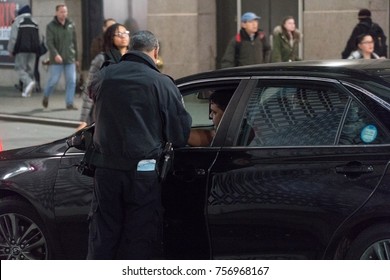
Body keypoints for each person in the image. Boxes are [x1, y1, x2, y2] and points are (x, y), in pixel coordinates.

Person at [86, 30, 192, 259]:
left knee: (103, 236)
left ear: (131, 48)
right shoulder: (161, 83)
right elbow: (180, 135)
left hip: (106, 172)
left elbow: (92, 97)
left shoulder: (104, 76)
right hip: (142, 175)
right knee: (139, 238)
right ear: (155, 51)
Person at [77, 23, 129, 130]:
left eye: (125, 33)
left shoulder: (133, 57)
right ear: (111, 37)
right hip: (105, 111)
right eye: (119, 33)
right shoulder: (102, 59)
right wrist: (83, 119)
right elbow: (90, 89)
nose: (123, 36)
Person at [42, 4, 79, 110]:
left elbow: (74, 42)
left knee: (71, 80)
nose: (64, 14)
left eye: (65, 12)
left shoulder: (71, 24)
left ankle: (69, 103)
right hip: (56, 59)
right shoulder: (51, 26)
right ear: (56, 13)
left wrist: (76, 58)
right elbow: (49, 42)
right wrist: (55, 54)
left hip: (70, 57)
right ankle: (46, 95)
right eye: (62, 12)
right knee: (54, 80)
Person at [7, 5, 40, 97]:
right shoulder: (35, 22)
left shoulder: (17, 21)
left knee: (19, 68)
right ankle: (27, 92)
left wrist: (10, 50)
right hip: (33, 50)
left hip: (21, 49)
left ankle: (29, 82)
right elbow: (39, 37)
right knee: (30, 69)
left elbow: (13, 38)